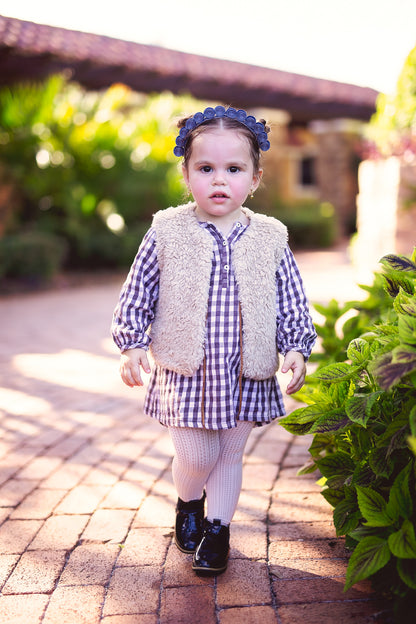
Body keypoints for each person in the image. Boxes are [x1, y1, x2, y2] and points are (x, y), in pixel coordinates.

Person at [112, 105, 316, 576]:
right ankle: (189, 501)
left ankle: (218, 529)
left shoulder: (270, 237)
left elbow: (290, 299)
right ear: (186, 174)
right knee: (197, 454)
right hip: (187, 370)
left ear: (255, 178)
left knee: (228, 454)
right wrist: (132, 343)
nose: (219, 179)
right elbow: (138, 292)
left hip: (245, 369)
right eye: (205, 168)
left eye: (234, 169)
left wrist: (295, 347)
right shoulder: (167, 230)